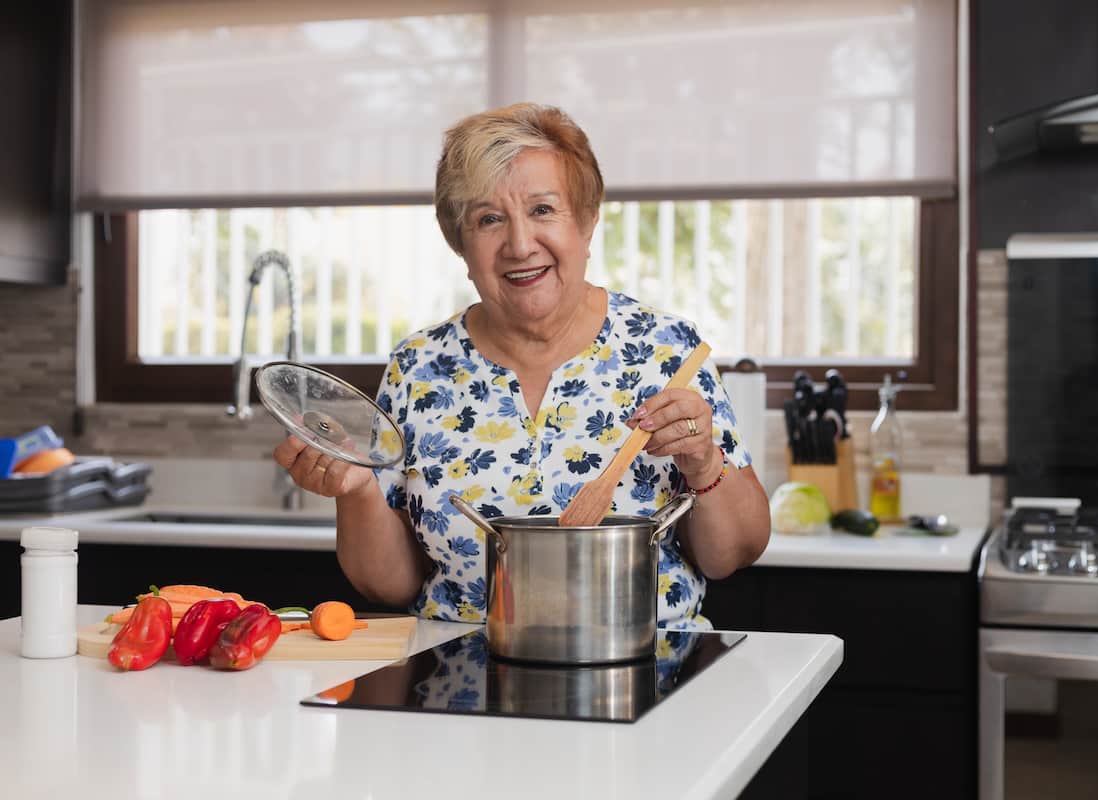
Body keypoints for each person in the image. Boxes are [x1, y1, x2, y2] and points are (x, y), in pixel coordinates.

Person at [274, 103, 770, 630]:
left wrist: (703, 464)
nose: (518, 244)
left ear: (586, 221)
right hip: (460, 674)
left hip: (648, 668)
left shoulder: (666, 348)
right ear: (459, 243)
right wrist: (356, 491)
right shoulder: (418, 367)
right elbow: (391, 585)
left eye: (542, 210)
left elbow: (733, 554)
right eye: (489, 219)